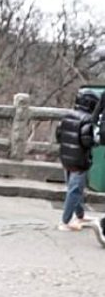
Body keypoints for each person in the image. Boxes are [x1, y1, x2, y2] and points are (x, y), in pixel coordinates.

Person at [56, 91, 98, 232]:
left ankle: (80, 215)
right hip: (79, 160)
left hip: (66, 157)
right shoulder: (87, 119)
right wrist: (95, 141)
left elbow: (58, 135)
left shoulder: (67, 116)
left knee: (74, 188)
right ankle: (65, 221)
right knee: (74, 190)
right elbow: (87, 142)